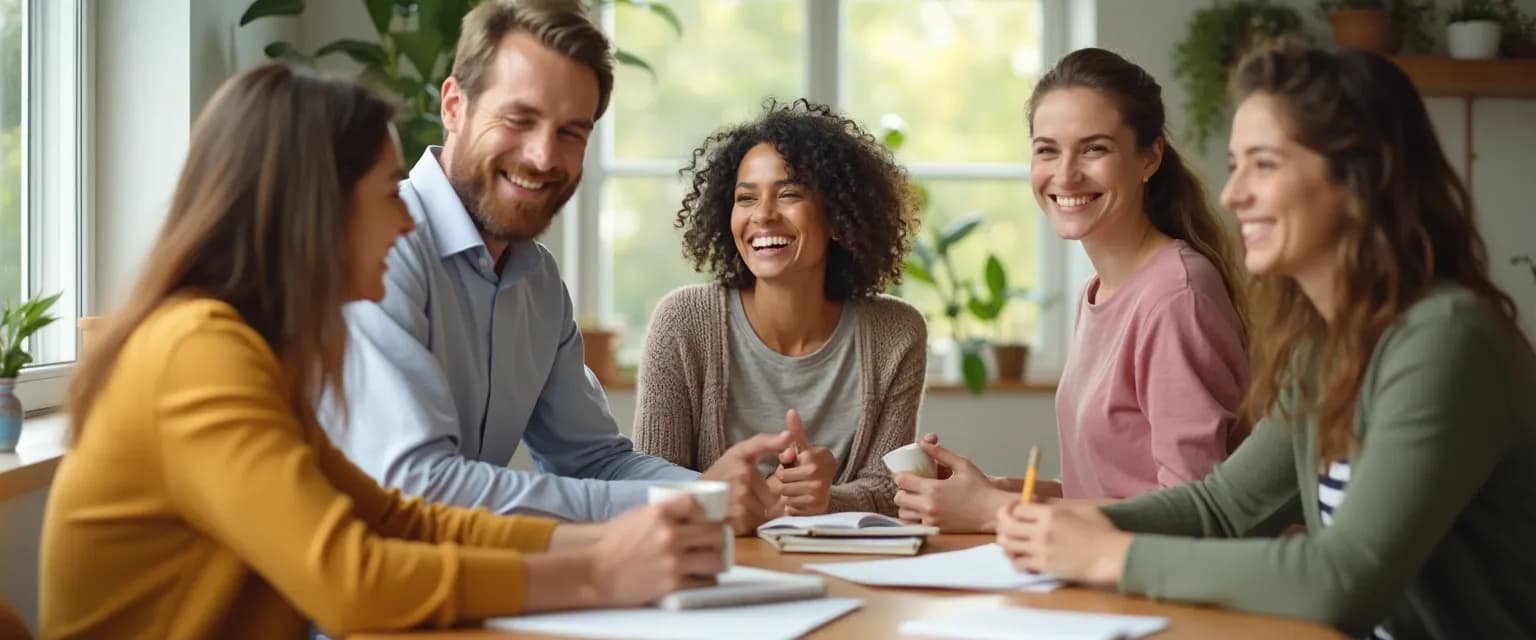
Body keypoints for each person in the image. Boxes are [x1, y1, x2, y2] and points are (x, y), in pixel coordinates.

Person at [39, 63, 726, 639]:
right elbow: (350, 580)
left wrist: (611, 543)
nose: (408, 220)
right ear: (318, 209)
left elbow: (400, 518)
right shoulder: (195, 351)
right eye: (389, 192)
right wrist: (599, 571)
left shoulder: (252, 353)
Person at [995, 44, 1536, 639]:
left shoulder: (1446, 339)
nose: (1232, 194)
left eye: (1265, 164)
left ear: (1359, 176)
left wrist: (1108, 555)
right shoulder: (1324, 340)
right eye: (1235, 164)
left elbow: (1343, 579)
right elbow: (1223, 507)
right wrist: (1064, 529)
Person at [319, 0, 791, 529]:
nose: (544, 157)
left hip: (466, 586)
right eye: (519, 119)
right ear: (454, 105)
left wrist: (706, 490)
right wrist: (682, 502)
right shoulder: (382, 248)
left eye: (571, 132)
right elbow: (419, 485)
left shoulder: (537, 279)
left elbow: (593, 460)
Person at [895, 47, 1251, 531]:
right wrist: (995, 492)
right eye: (1047, 149)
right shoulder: (1099, 293)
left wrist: (995, 513)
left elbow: (1191, 510)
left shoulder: (1175, 296)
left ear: (1149, 157)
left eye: (1094, 148)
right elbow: (1113, 494)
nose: (1065, 174)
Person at [633, 99, 925, 520]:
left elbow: (889, 489)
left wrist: (826, 497)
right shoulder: (683, 323)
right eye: (746, 198)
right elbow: (652, 485)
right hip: (716, 566)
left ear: (838, 218)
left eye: (789, 194)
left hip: (852, 570)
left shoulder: (896, 333)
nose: (763, 216)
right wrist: (741, 499)